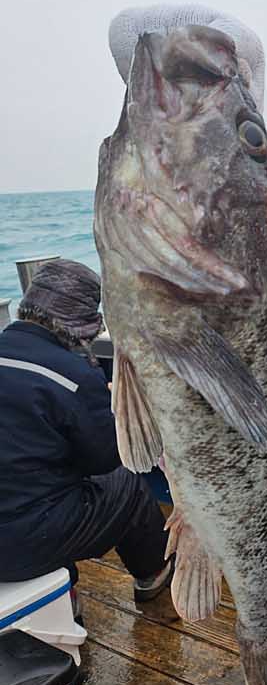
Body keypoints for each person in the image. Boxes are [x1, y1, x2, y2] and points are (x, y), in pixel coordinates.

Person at [0, 256, 169, 603]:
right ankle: (153, 573)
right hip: (20, 546)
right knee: (126, 484)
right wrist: (108, 408)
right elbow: (105, 458)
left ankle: (67, 595)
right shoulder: (72, 375)